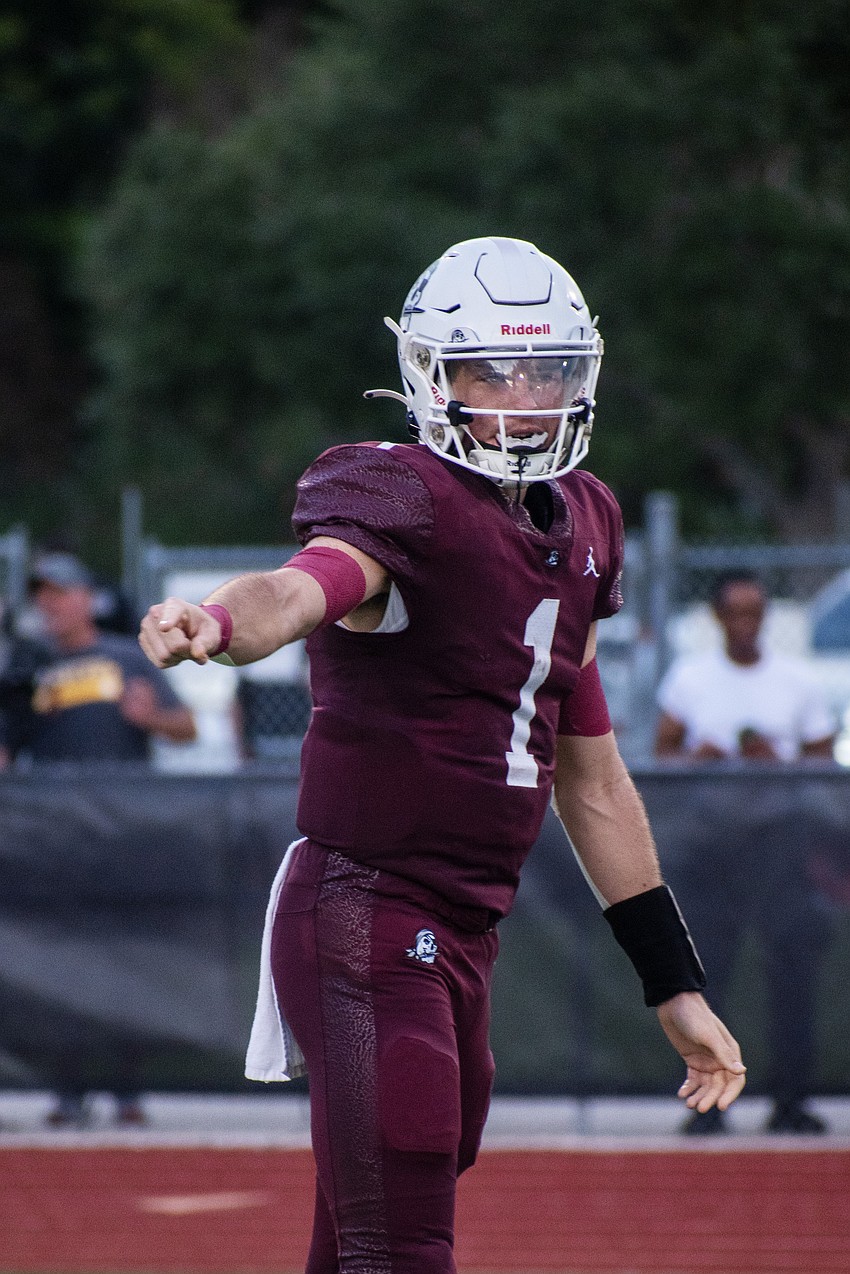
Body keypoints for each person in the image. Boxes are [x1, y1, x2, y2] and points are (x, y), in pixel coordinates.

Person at [140, 237, 746, 1273]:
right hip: (368, 908)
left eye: (547, 369)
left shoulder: (585, 521)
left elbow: (590, 773)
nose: (524, 396)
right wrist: (220, 619)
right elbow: (304, 583)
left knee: (374, 1224)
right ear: (430, 375)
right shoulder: (402, 495)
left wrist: (671, 979)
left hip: (465, 926)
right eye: (491, 371)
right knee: (404, 1235)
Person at [0, 550, 197, 1125]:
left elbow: (184, 728)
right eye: (43, 595)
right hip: (57, 841)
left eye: (61, 592)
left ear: (87, 597)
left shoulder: (125, 658)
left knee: (125, 958)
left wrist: (150, 717)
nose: (51, 604)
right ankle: (68, 1088)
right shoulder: (28, 671)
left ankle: (126, 1088)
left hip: (122, 837)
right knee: (61, 964)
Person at [655, 570, 835, 1135]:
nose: (746, 624)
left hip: (780, 845)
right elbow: (661, 759)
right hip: (713, 848)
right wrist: (703, 759)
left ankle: (791, 1099)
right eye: (736, 612)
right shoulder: (690, 678)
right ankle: (709, 1101)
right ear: (717, 618)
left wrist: (773, 764)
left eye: (756, 612)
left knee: (792, 973)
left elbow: (824, 764)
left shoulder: (798, 682)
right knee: (707, 977)